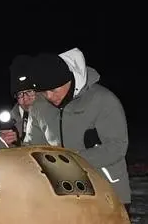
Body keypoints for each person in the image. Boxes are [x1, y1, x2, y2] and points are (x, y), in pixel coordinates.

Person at [27, 48, 132, 206]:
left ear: (69, 80)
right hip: (60, 195)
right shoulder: (38, 106)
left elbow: (117, 147)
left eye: (53, 90)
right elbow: (33, 148)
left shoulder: (103, 101)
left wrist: (71, 161)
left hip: (106, 191)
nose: (49, 96)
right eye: (43, 91)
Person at [0, 54, 39, 147]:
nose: (25, 98)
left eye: (29, 91)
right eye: (20, 94)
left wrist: (21, 143)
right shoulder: (11, 121)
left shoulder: (53, 113)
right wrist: (3, 143)